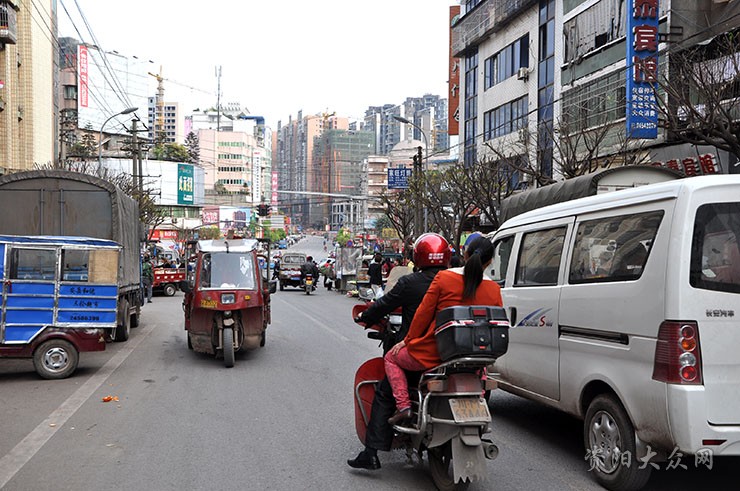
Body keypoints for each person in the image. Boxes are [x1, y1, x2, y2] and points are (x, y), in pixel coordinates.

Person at [347, 233, 450, 471]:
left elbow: (383, 305)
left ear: (418, 256)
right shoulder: (455, 280)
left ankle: (371, 452)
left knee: (384, 392)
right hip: (453, 353)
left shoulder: (411, 283)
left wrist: (365, 316)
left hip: (418, 354)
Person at [384, 237, 503, 425]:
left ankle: (404, 407)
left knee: (391, 357)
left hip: (435, 353)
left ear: (465, 254)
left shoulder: (444, 278)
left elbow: (422, 314)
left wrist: (406, 341)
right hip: (474, 359)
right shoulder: (494, 289)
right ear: (490, 261)